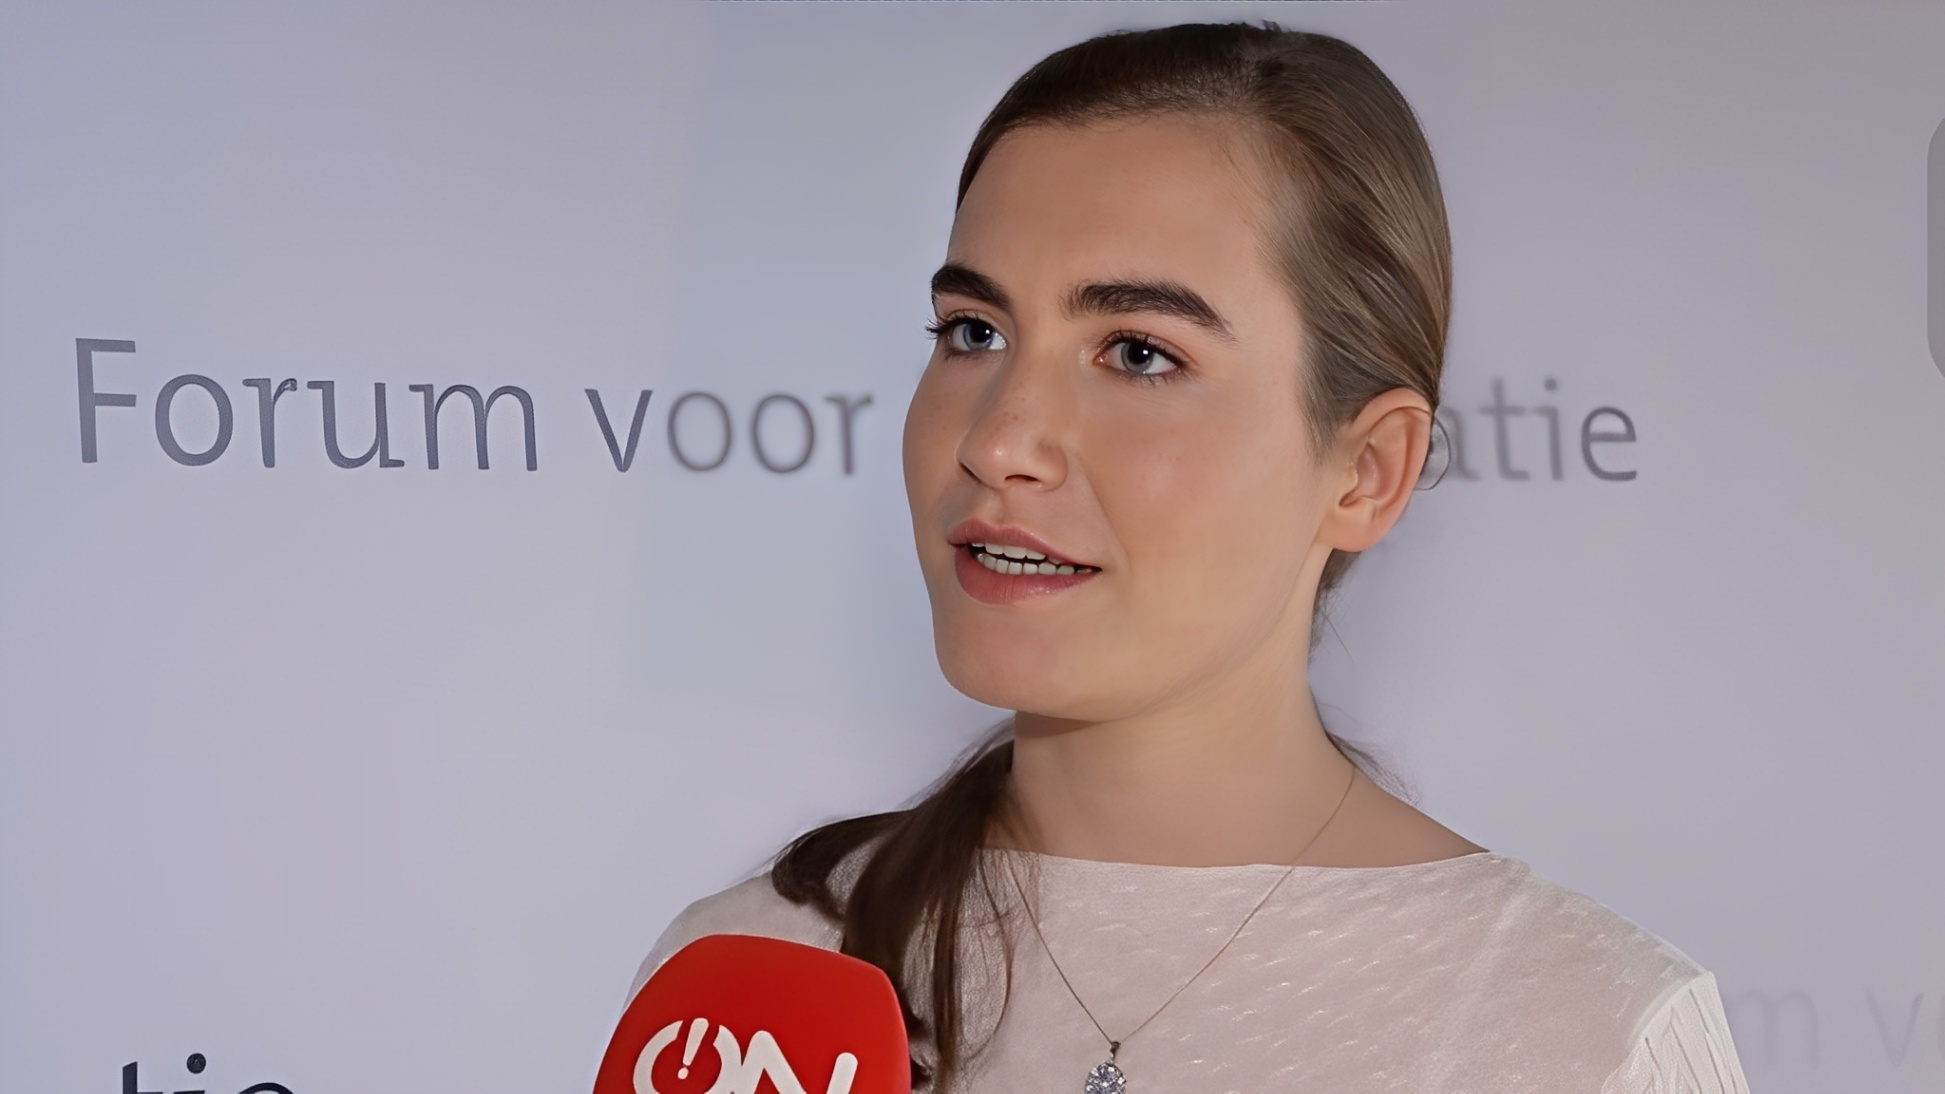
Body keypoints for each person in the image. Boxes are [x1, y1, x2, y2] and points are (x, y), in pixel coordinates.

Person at [634, 22, 1749, 1094]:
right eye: (974, 331)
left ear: (1366, 471)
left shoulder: (1580, 1037)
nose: (998, 440)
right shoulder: (744, 995)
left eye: (1136, 353)